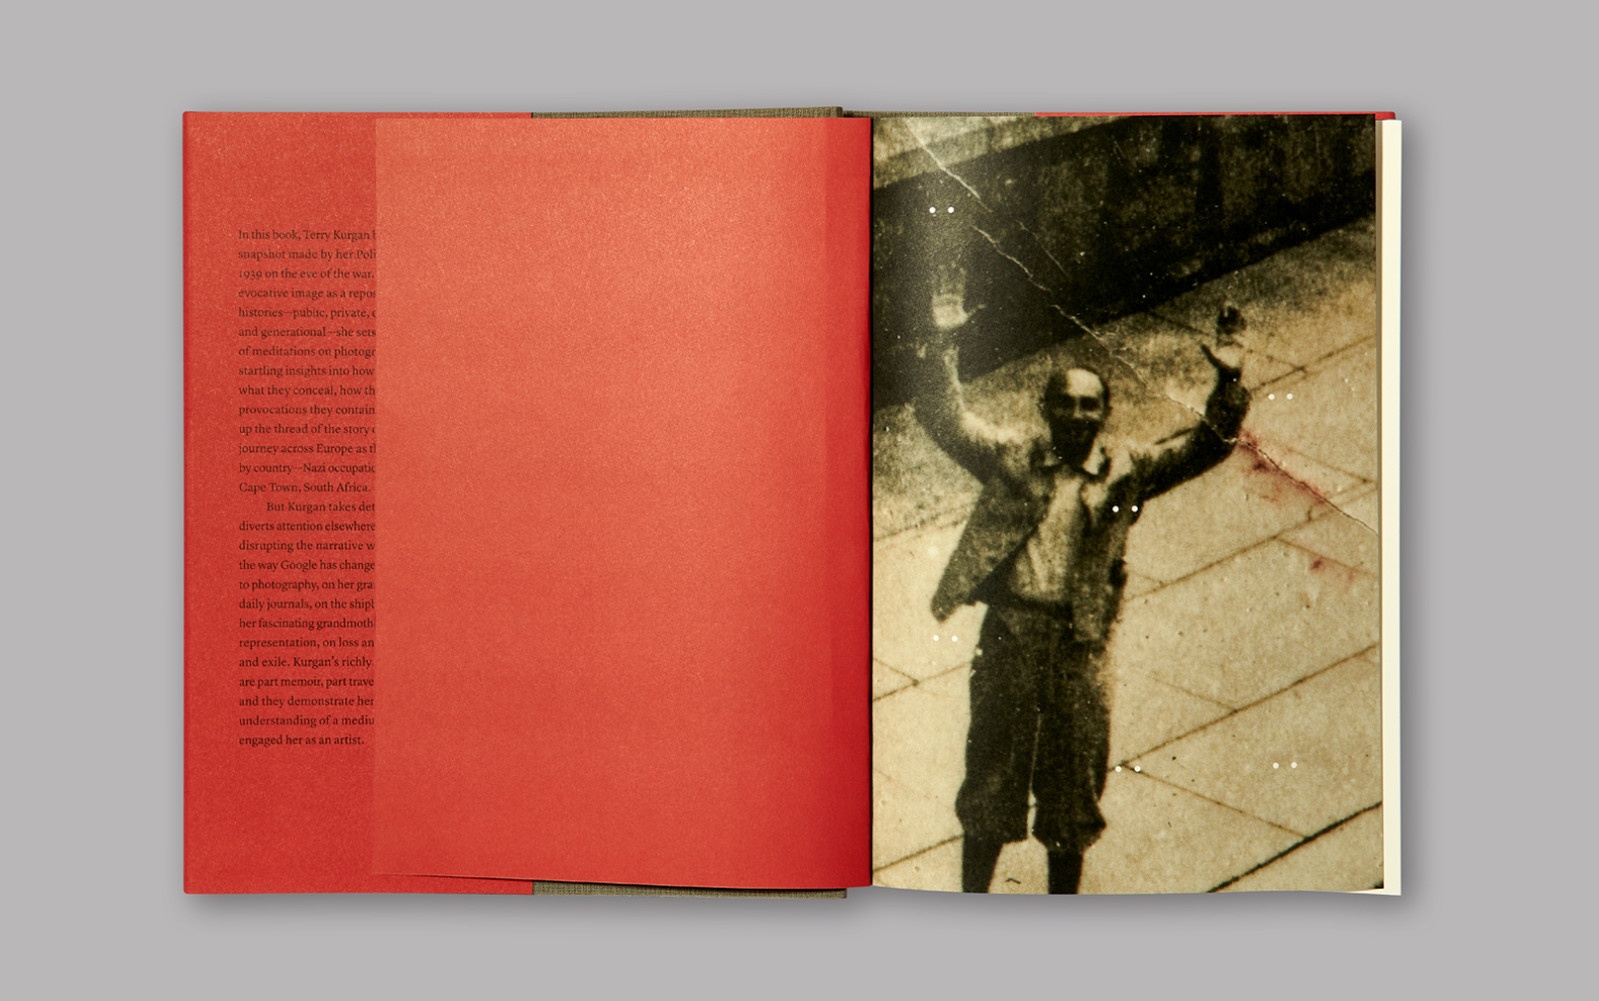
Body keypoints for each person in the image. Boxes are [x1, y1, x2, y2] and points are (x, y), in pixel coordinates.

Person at [916, 285, 1250, 893]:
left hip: (1080, 646)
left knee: (1073, 790)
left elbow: (1207, 446)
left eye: (1088, 405)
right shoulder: (1013, 458)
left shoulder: (1127, 468)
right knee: (992, 778)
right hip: (1011, 637)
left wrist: (1227, 385)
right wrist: (943, 344)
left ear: (1104, 414)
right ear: (1045, 411)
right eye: (1064, 404)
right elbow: (945, 419)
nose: (1076, 415)